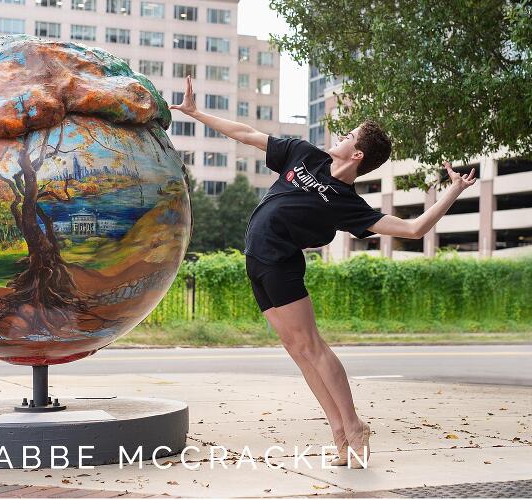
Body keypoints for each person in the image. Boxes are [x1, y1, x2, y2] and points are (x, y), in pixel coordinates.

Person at [170, 75, 477, 468]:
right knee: (298, 352)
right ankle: (339, 432)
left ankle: (354, 427)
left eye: (349, 134)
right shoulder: (303, 153)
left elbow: (413, 228)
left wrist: (453, 190)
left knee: (312, 346)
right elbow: (245, 133)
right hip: (256, 260)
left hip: (280, 263)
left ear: (358, 154)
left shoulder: (348, 204)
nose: (341, 134)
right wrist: (196, 114)